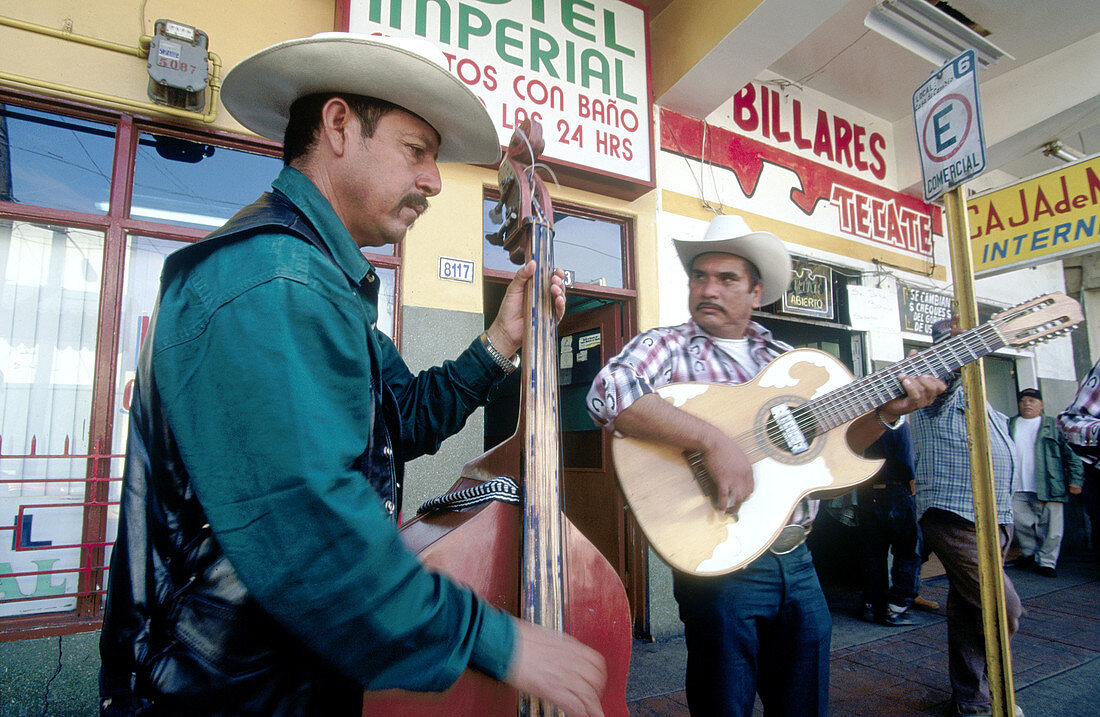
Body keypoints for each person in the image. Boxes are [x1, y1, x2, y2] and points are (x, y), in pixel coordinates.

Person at [98, 33, 606, 716]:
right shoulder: (273, 281)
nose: (432, 179)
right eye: (417, 150)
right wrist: (501, 640)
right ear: (339, 126)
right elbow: (317, 536)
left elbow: (404, 416)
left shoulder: (321, 284)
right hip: (221, 693)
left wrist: (501, 339)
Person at [585, 214, 944, 716]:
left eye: (726, 278)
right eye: (699, 277)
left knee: (804, 705)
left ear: (757, 292)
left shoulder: (790, 361)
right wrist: (712, 441)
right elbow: (608, 396)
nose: (708, 288)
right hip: (719, 565)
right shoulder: (665, 345)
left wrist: (886, 412)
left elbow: (838, 447)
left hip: (798, 562)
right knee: (723, 706)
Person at [909, 317, 1023, 717]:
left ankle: (972, 700)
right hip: (957, 514)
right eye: (962, 346)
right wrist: (958, 347)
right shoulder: (937, 390)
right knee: (1001, 607)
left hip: (995, 514)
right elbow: (942, 375)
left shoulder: (981, 395)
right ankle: (1002, 695)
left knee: (967, 612)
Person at [1008, 387, 1084, 577]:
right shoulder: (1009, 424)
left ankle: (1047, 563)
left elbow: (1071, 456)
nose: (1027, 404)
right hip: (1017, 486)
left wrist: (1076, 480)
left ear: (1041, 405)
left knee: (1052, 529)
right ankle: (1029, 554)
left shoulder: (1053, 426)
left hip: (1050, 485)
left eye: (1032, 401)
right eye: (1023, 400)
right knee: (1020, 524)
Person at [857, 423, 922, 626]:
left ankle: (871, 604)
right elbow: (905, 462)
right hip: (895, 491)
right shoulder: (900, 424)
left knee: (873, 552)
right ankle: (897, 607)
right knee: (908, 550)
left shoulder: (865, 423)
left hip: (867, 492)